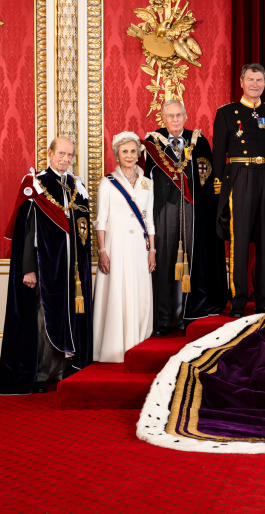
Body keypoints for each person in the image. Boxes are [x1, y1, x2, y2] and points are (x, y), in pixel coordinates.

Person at [0, 137, 93, 395]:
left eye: (70, 155)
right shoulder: (36, 184)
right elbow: (27, 231)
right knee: (45, 318)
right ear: (50, 154)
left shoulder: (76, 185)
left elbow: (82, 229)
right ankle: (42, 374)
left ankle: (66, 370)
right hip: (46, 267)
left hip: (72, 268)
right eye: (61, 154)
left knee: (69, 316)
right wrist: (29, 268)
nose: (66, 159)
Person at [142, 99, 225, 332]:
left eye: (179, 115)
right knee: (165, 261)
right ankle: (164, 318)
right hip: (164, 209)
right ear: (163, 118)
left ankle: (190, 313)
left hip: (192, 209)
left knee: (192, 258)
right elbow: (146, 180)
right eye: (171, 116)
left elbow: (206, 179)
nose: (175, 119)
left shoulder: (198, 142)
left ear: (185, 116)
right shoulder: (153, 142)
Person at [213, 63, 265, 318]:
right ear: (241, 82)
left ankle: (264, 302)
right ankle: (239, 303)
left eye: (260, 80)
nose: (255, 84)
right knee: (239, 242)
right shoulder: (226, 113)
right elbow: (218, 156)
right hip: (239, 179)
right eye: (250, 80)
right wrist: (220, 191)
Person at [93, 132, 156, 363]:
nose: (129, 156)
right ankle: (114, 349)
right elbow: (101, 220)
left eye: (133, 151)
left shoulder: (147, 183)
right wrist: (102, 251)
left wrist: (152, 250)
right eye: (124, 151)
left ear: (139, 153)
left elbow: (149, 220)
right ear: (117, 155)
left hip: (140, 247)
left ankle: (138, 346)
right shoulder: (107, 182)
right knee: (117, 291)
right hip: (115, 245)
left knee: (139, 292)